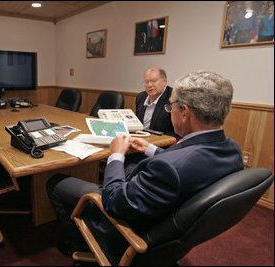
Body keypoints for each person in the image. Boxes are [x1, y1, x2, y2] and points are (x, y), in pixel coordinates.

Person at [46, 70, 244, 260]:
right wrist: (150, 149)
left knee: (55, 182)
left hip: (134, 233)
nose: (170, 109)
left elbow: (114, 201)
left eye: (171, 106)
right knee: (130, 167)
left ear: (184, 112)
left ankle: (77, 243)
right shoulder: (232, 150)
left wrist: (115, 155)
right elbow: (188, 161)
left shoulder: (169, 170)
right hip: (171, 219)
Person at [135, 67, 177, 137]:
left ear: (164, 81)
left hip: (164, 143)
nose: (149, 85)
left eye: (153, 81)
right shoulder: (140, 97)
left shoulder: (173, 97)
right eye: (146, 82)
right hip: (141, 138)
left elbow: (177, 132)